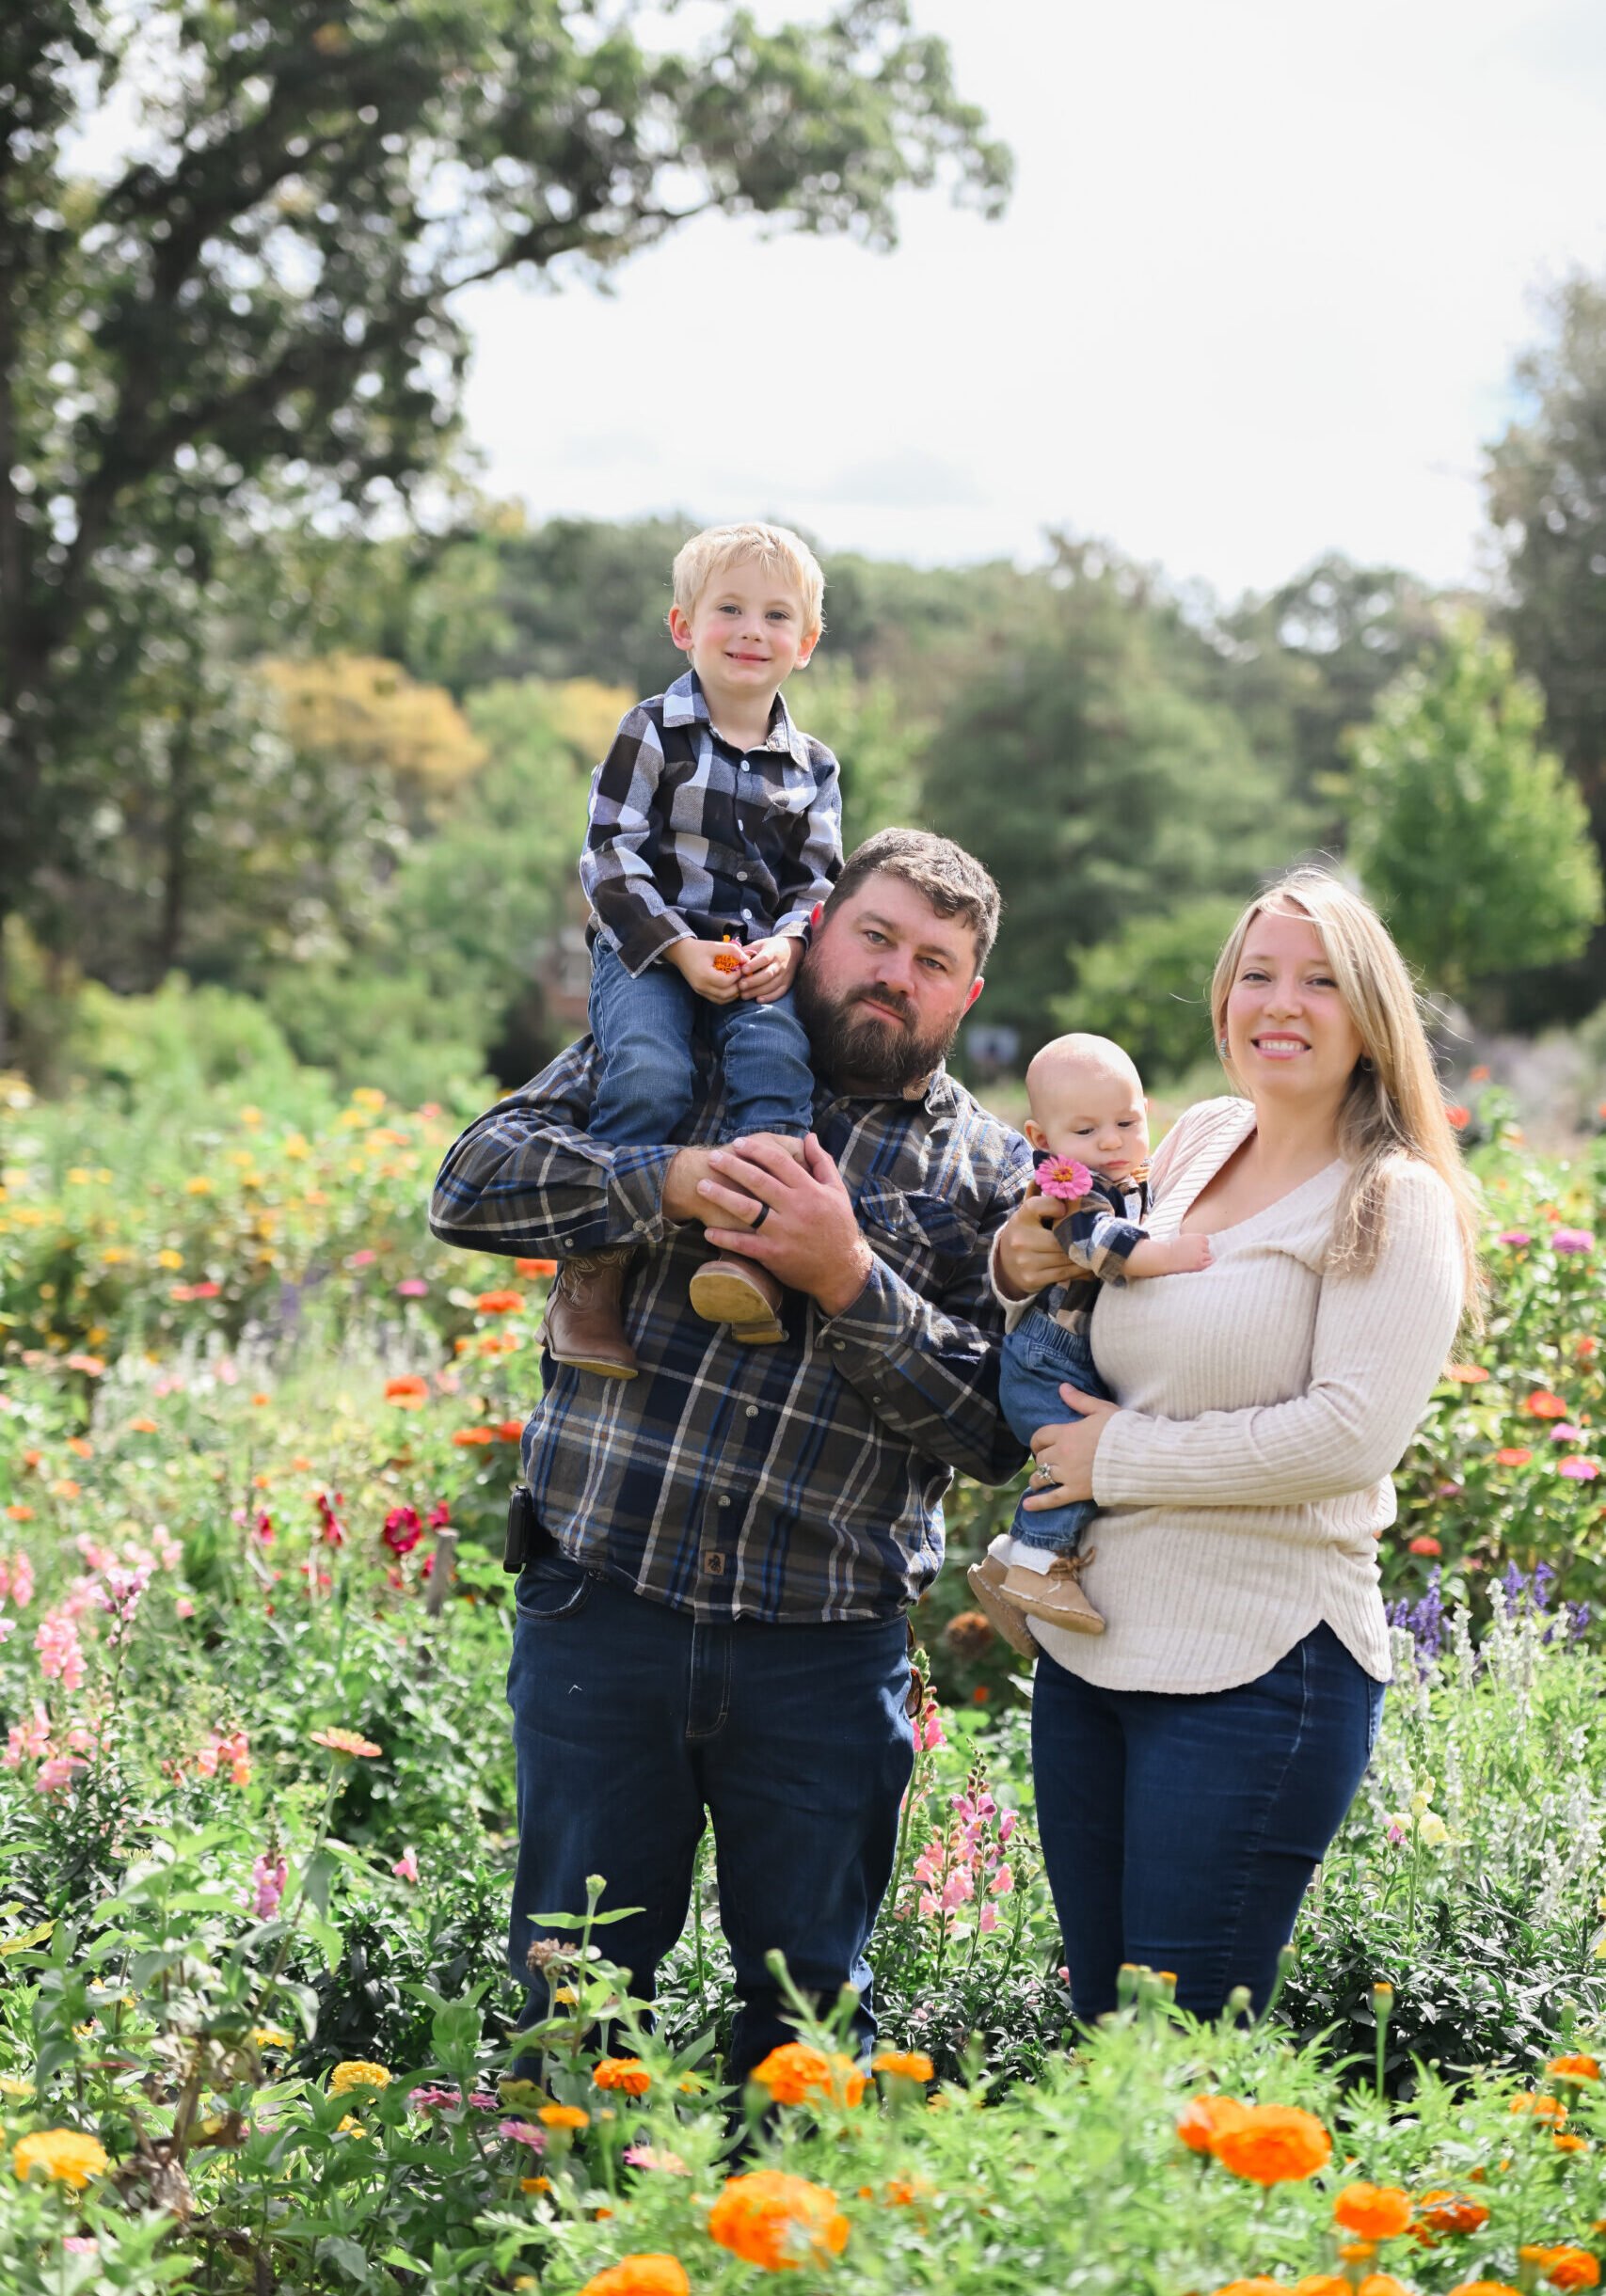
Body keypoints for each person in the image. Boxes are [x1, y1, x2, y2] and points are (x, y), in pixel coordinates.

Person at [428, 830, 1030, 2081]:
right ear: (817, 932)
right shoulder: (680, 1048)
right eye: (875, 937)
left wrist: (846, 1275)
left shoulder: (992, 1174)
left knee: (805, 2024)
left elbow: (990, 1429)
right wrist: (673, 1178)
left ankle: (781, 2207)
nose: (895, 974)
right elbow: (470, 1183)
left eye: (932, 961)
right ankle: (564, 2204)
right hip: (607, 1610)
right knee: (569, 2002)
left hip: (824, 1654)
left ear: (965, 995)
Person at [993, 868, 1479, 2022]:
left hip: (1259, 1667)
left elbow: (1349, 1435)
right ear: (1223, 1000)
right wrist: (1022, 1261)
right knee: (1103, 2045)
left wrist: (1119, 1459)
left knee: (1181, 2048)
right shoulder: (1202, 1137)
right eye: (1257, 973)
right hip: (1094, 1650)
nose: (1281, 1002)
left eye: (1321, 980)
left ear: (1370, 1015)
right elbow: (1097, 1293)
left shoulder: (1391, 1197)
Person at [556, 521, 843, 1378]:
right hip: (649, 948)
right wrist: (677, 949)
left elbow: (817, 882)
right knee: (650, 1071)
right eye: (729, 610)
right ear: (683, 627)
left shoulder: (813, 767)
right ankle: (592, 1272)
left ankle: (749, 1254)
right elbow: (608, 854)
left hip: (754, 956)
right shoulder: (650, 731)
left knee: (777, 1067)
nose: (752, 630)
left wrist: (789, 946)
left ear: (805, 643)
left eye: (776, 615)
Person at [966, 1032, 1212, 1641]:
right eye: (1084, 1130)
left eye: (1126, 1122)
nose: (1109, 1141)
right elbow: (1094, 1244)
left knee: (1073, 1460)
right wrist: (1166, 1255)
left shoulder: (1134, 1178)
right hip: (1048, 1357)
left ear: (1146, 1111)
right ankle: (1040, 1564)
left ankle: (1008, 1561)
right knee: (1079, 1460)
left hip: (1064, 1357)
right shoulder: (1073, 1190)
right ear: (1041, 1139)